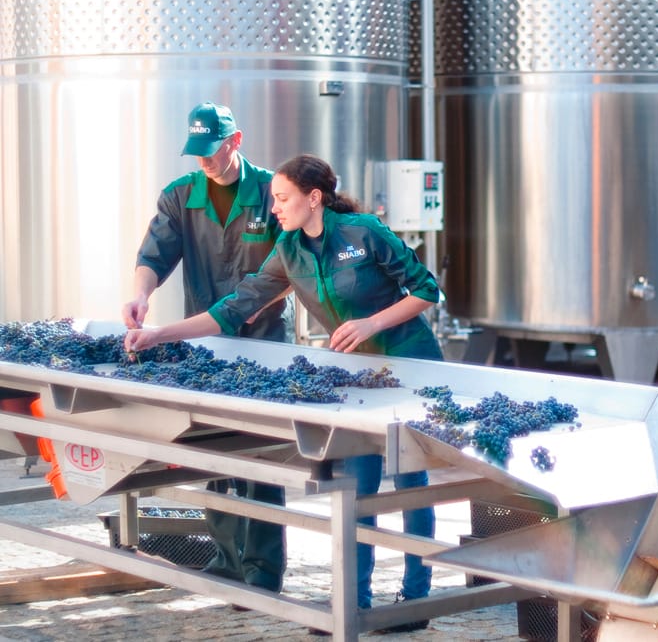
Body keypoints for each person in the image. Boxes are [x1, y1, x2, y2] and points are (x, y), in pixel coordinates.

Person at [124, 154, 442, 632]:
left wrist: (371, 323)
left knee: (409, 481)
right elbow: (233, 308)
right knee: (357, 488)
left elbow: (427, 289)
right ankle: (353, 603)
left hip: (409, 366)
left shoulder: (364, 232)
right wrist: (158, 335)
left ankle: (414, 601)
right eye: (273, 199)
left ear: (314, 198)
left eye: (281, 198)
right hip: (359, 379)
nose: (273, 208)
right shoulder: (289, 250)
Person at [122, 101, 293, 595]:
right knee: (214, 449)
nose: (204, 160)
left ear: (235, 141)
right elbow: (154, 255)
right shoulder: (181, 195)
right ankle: (227, 561)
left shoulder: (271, 192)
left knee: (260, 454)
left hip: (263, 341)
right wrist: (141, 295)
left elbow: (294, 263)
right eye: (196, 152)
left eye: (212, 150)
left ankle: (263, 570)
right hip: (207, 340)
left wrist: (265, 300)